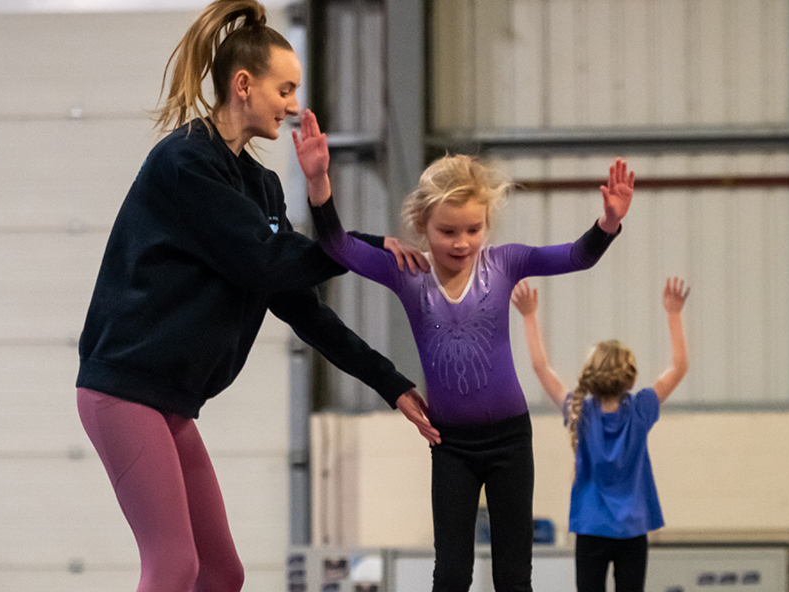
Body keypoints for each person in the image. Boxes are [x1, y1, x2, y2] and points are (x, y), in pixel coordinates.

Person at [75, 1, 437, 590]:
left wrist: (390, 382)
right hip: (123, 388)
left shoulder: (262, 187)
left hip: (170, 400)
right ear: (243, 85)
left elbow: (302, 306)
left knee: (221, 573)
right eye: (285, 89)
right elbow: (269, 260)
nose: (295, 105)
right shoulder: (185, 164)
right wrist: (363, 246)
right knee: (173, 563)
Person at [295, 108, 633, 592]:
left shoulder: (505, 263)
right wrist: (318, 181)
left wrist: (608, 222)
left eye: (473, 230)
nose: (461, 242)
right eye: (447, 231)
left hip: (511, 443)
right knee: (450, 575)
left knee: (513, 577)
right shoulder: (407, 272)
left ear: (487, 225)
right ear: (421, 225)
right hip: (450, 445)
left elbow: (576, 257)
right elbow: (334, 245)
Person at [511, 276, 689, 592]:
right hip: (632, 530)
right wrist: (673, 314)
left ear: (591, 376)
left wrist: (529, 316)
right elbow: (679, 367)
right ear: (630, 380)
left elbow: (541, 368)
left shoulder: (580, 412)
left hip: (591, 528)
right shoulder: (641, 409)